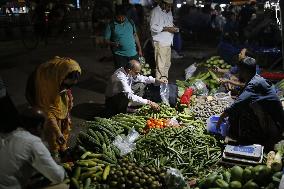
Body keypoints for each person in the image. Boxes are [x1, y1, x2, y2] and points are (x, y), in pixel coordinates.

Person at [216, 57, 284, 150]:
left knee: (241, 112)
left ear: (245, 71)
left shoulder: (254, 84)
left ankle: (261, 139)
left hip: (274, 121)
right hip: (274, 115)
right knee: (247, 105)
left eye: (240, 70)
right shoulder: (256, 77)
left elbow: (236, 105)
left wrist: (220, 120)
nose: (238, 73)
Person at [25, 56, 81, 161]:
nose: (67, 88)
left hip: (55, 91)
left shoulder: (68, 69)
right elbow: (49, 113)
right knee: (51, 128)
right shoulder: (46, 86)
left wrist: (67, 100)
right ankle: (54, 152)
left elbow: (64, 103)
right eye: (66, 85)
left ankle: (63, 148)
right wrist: (58, 132)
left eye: (70, 86)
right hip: (41, 98)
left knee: (63, 122)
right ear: (61, 79)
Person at [0, 107, 66, 189]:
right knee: (64, 186)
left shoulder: (10, 136)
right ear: (39, 126)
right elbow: (58, 176)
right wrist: (61, 165)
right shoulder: (33, 143)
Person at [104, 5, 143, 69]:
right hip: (120, 55)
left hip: (133, 54)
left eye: (123, 17)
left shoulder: (130, 22)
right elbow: (106, 40)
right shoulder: (111, 25)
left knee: (135, 74)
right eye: (119, 17)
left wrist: (140, 49)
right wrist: (113, 43)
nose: (121, 19)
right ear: (115, 16)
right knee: (122, 75)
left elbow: (135, 36)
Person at [150, 0, 179, 80]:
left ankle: (164, 81)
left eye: (171, 6)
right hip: (160, 42)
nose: (170, 7)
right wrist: (167, 28)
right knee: (160, 65)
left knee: (167, 64)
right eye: (168, 5)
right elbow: (153, 27)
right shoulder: (156, 11)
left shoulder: (169, 12)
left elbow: (169, 23)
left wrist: (174, 28)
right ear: (162, 4)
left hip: (168, 42)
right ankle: (159, 83)